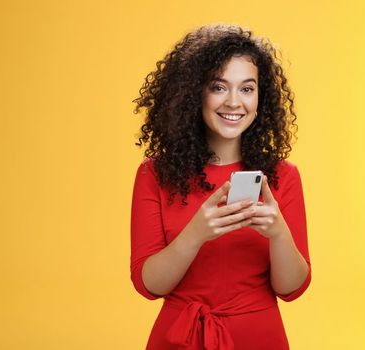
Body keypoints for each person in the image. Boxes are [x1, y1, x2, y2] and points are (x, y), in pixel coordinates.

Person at [129, 24, 311, 350]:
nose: (233, 102)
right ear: (194, 92)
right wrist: (197, 233)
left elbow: (292, 289)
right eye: (218, 87)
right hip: (179, 337)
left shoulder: (283, 176)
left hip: (259, 337)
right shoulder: (154, 174)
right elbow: (148, 286)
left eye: (246, 89)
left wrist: (278, 232)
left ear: (260, 98)